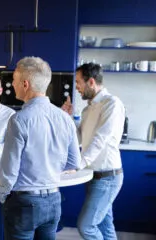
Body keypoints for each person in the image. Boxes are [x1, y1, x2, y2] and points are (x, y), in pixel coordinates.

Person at [0, 57, 81, 240]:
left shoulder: (19, 120)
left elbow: (9, 170)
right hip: (54, 201)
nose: (12, 84)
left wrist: (3, 195)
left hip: (25, 202)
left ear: (25, 84)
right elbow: (74, 162)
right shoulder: (65, 118)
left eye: (14, 80)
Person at [62, 63, 125, 240]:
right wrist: (68, 119)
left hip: (108, 177)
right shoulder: (88, 108)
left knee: (86, 226)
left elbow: (100, 140)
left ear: (91, 82)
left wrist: (78, 164)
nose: (76, 87)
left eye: (78, 82)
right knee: (105, 226)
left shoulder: (112, 104)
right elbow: (78, 139)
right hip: (94, 175)